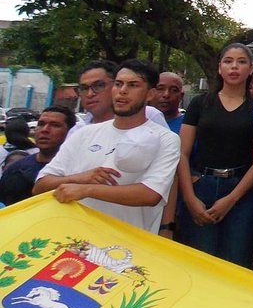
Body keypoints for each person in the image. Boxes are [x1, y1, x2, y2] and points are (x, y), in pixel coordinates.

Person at [34, 60, 181, 233]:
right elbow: (40, 185)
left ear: (150, 94)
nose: (123, 91)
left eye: (133, 85)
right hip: (73, 241)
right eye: (118, 84)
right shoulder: (84, 134)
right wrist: (80, 178)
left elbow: (150, 194)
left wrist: (87, 189)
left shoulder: (166, 139)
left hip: (126, 244)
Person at [172, 43, 253, 267]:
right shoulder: (200, 103)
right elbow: (182, 153)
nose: (234, 67)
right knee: (199, 263)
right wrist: (189, 197)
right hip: (201, 187)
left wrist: (232, 199)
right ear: (219, 68)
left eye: (241, 62)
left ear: (251, 68)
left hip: (240, 192)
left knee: (237, 264)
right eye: (228, 61)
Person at [0, 106, 75, 205]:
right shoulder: (16, 170)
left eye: (55, 125)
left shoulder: (77, 171)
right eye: (41, 124)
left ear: (71, 132)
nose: (45, 130)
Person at [74, 59, 170, 131]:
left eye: (99, 86)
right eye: (84, 88)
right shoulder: (78, 130)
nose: (90, 94)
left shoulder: (149, 115)